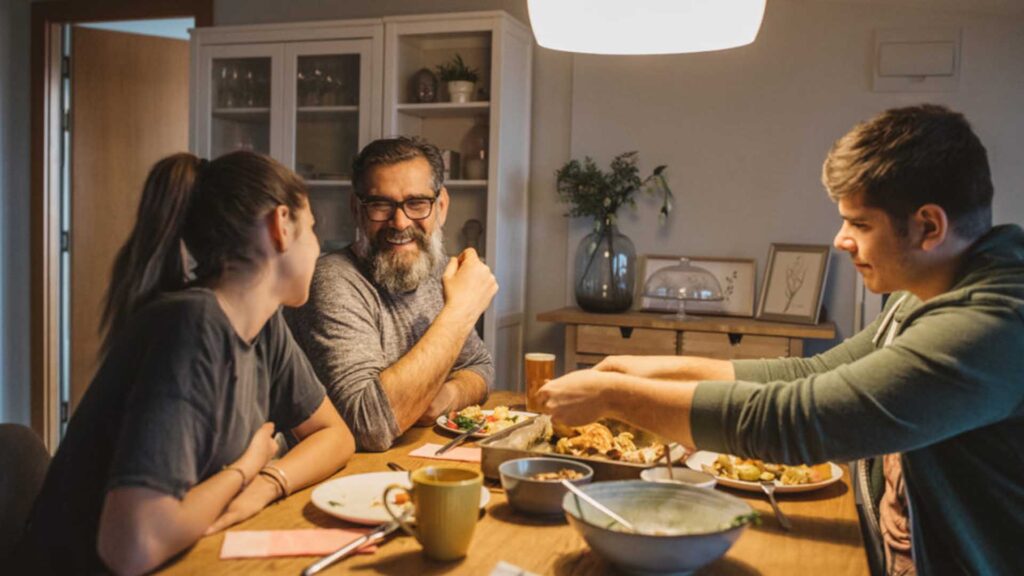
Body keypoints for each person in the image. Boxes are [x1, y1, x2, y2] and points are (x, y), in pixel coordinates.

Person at [538, 104, 1024, 575]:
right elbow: (809, 374)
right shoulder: (933, 291)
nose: (841, 239)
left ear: (929, 226)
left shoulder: (992, 325)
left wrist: (613, 396)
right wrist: (644, 366)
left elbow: (802, 421)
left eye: (859, 223)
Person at [20, 151, 356, 575]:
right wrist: (245, 469)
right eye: (312, 228)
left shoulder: (263, 324)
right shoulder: (192, 326)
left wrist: (268, 483)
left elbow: (335, 435)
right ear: (281, 225)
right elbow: (132, 546)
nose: (317, 244)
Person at [285, 137, 497, 452]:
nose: (399, 222)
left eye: (416, 203)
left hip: (407, 461)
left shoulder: (438, 269)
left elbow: (480, 366)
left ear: (440, 207)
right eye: (380, 205)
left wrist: (441, 398)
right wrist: (461, 311)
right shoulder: (331, 280)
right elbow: (368, 427)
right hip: (336, 480)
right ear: (357, 210)